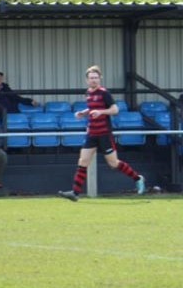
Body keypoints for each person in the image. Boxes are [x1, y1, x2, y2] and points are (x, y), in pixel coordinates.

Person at [59, 66, 146, 201]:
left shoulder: (104, 93)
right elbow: (93, 107)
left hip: (104, 133)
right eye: (91, 78)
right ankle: (75, 193)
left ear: (100, 78)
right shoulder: (88, 93)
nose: (94, 80)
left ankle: (138, 178)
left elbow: (115, 109)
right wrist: (84, 113)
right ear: (87, 80)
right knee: (83, 161)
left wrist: (101, 112)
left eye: (96, 77)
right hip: (92, 133)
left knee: (113, 163)